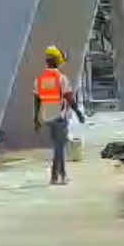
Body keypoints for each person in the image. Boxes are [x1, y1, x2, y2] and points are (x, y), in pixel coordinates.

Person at [33, 45, 85, 185]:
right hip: (60, 117)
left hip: (46, 116)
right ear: (57, 61)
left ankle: (56, 175)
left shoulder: (40, 79)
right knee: (59, 147)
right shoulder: (61, 78)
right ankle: (59, 176)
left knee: (58, 146)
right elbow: (69, 98)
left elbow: (37, 100)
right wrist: (78, 113)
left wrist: (36, 120)